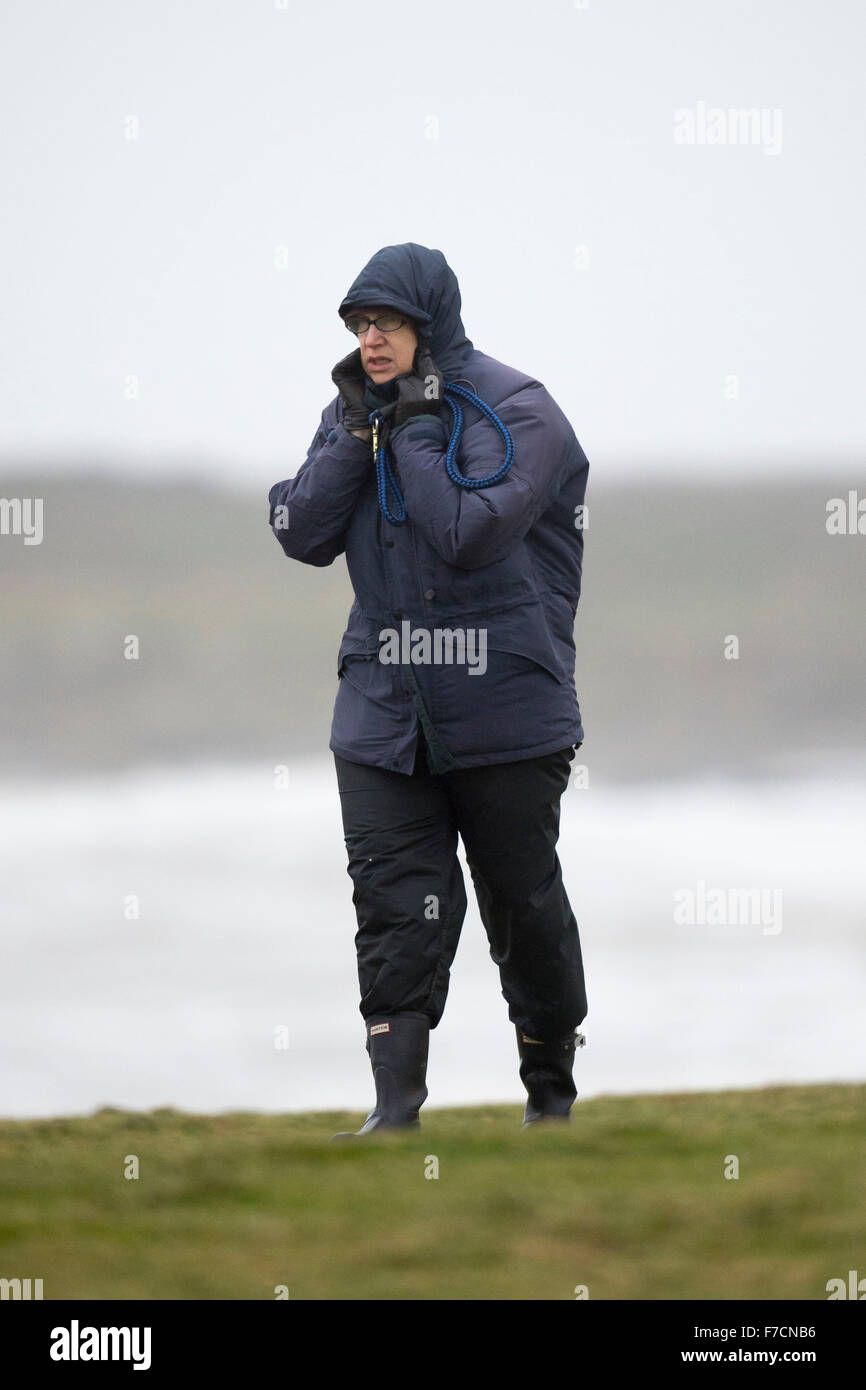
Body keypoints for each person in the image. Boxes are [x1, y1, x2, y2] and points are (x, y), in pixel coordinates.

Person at [267, 243, 590, 1135]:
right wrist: (357, 426)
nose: (372, 340)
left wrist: (411, 426)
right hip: (381, 714)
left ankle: (551, 1101)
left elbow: (467, 533)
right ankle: (394, 1112)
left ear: (430, 324)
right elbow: (298, 529)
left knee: (522, 903)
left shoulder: (518, 410)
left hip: (507, 709)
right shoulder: (354, 413)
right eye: (360, 326)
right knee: (393, 904)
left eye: (389, 324)